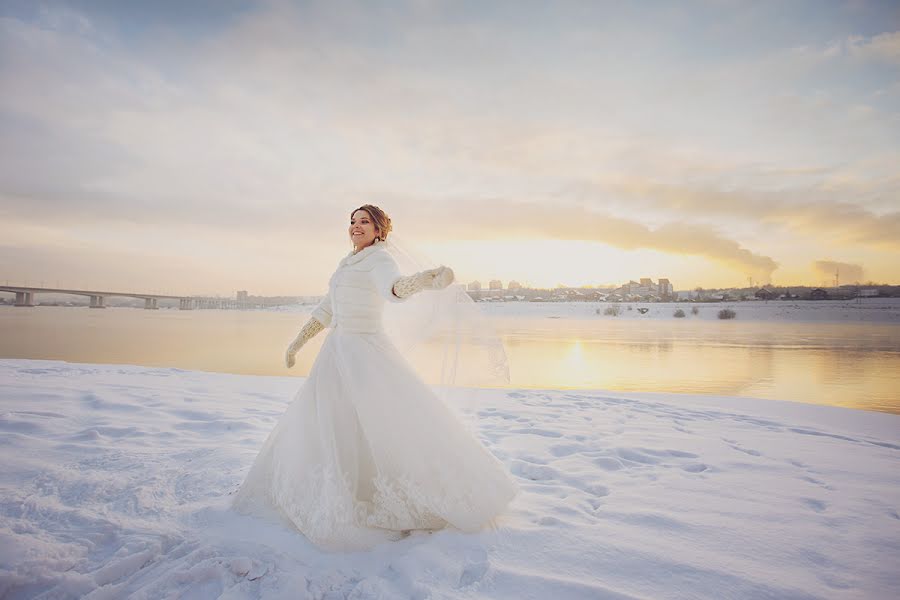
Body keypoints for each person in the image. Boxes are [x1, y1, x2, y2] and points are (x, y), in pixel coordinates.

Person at [232, 204, 518, 551]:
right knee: (329, 422)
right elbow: (326, 309)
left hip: (364, 354)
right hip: (336, 354)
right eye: (352, 221)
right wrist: (298, 342)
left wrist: (422, 281)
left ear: (379, 229)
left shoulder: (380, 260)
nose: (356, 226)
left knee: (376, 421)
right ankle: (335, 491)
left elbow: (393, 290)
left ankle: (392, 494)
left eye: (364, 221)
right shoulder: (347, 262)